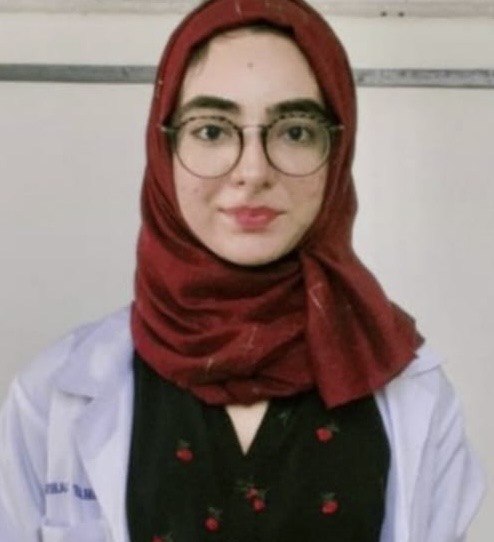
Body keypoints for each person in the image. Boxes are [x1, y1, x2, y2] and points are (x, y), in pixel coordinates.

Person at [0, 0, 485, 540]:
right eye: (212, 130)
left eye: (295, 131)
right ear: (164, 149)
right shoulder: (51, 397)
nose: (253, 171)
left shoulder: (412, 391)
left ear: (337, 152)